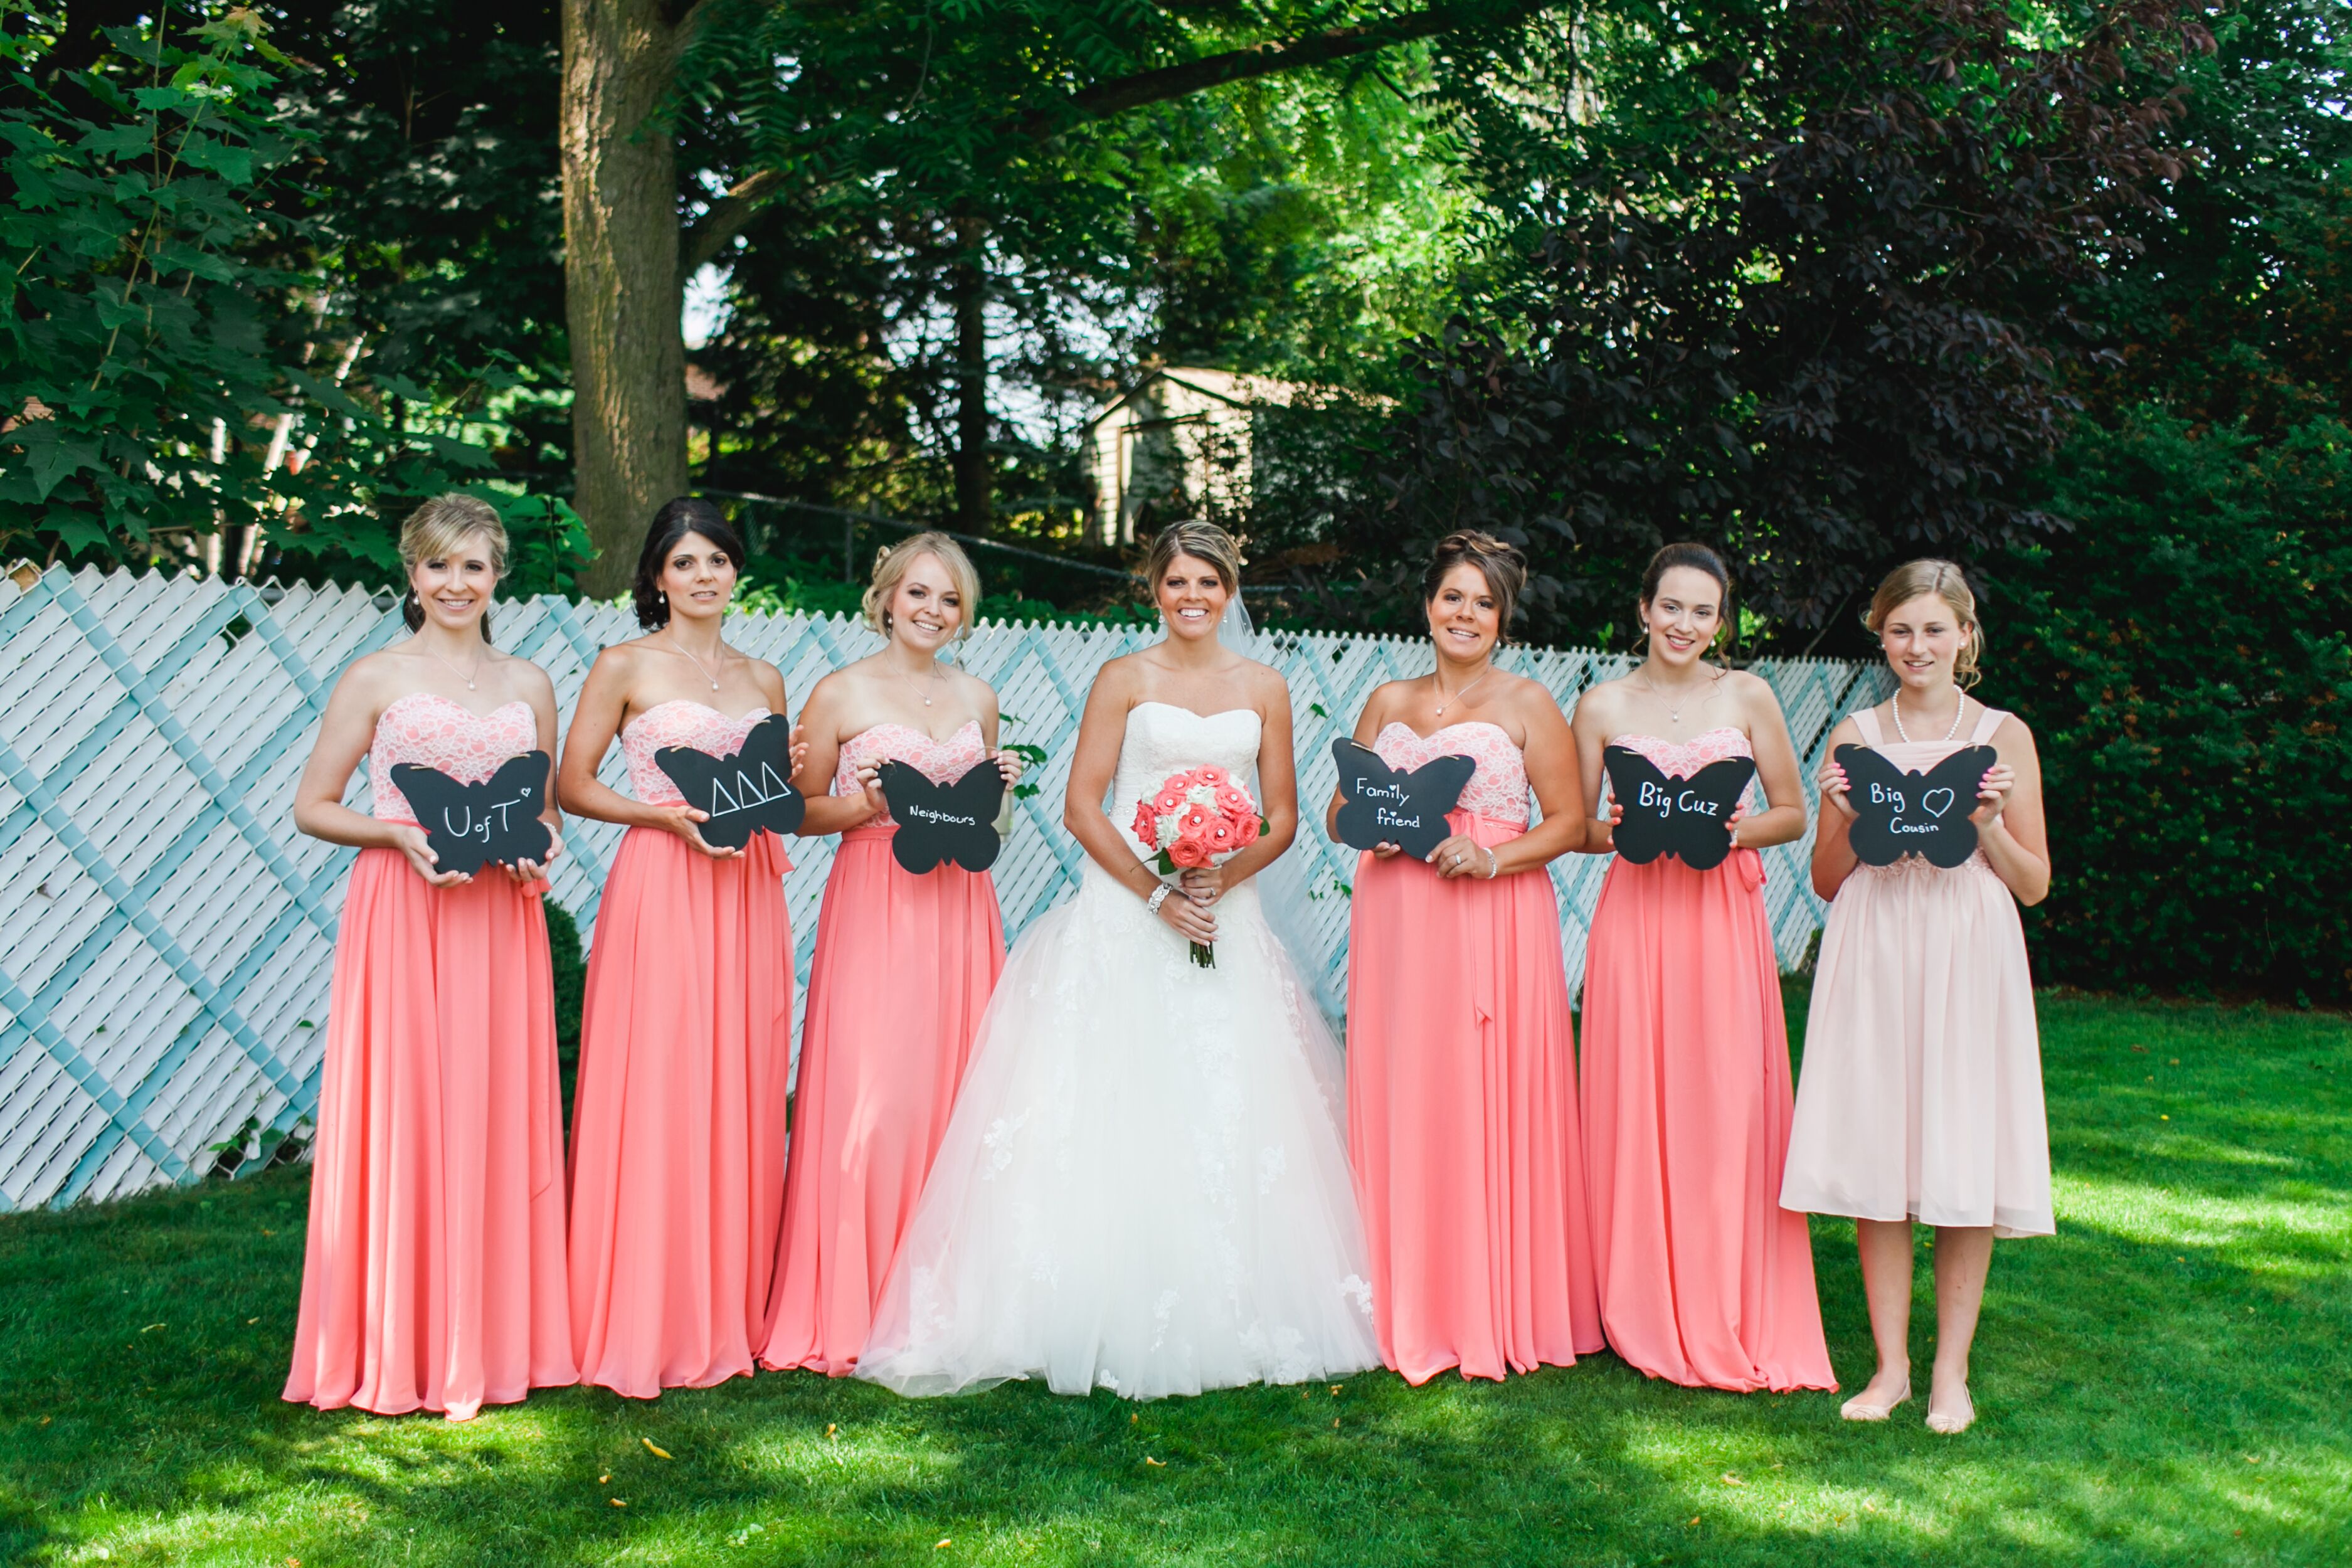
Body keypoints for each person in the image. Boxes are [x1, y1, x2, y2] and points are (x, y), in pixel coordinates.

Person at [856, 520, 1380, 1399]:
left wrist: (1219, 872)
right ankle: (1079, 1299)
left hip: (1222, 913)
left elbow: (1281, 814)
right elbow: (1083, 805)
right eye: (1176, 583)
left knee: (1222, 1101)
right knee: (1111, 1100)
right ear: (1155, 588)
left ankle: (1231, 1300)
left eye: (1207, 585)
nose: (1191, 599)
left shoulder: (1264, 686)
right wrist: (1156, 891)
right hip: (1125, 912)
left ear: (1229, 590)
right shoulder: (1122, 679)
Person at [283, 494, 575, 1419]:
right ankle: (396, 1341)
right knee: (408, 1109)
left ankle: (491, 1340)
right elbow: (313, 805)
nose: (457, 584)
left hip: (497, 916)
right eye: (439, 566)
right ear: (411, 575)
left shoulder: (530, 683)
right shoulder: (375, 676)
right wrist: (396, 836)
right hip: (405, 910)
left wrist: (540, 843)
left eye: (474, 566)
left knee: (491, 1107)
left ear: (500, 577)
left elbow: (544, 807)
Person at [1782, 559, 2052, 1435]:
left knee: (1960, 1147)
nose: (1916, 645)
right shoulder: (1854, 736)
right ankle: (1890, 1368)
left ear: (1964, 636)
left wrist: (1982, 826)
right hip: (1876, 943)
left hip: (1966, 946)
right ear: (1880, 634)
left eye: (1934, 629)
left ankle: (1949, 1375)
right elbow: (1824, 879)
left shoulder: (2002, 734)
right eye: (1900, 629)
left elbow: (2034, 883)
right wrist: (1846, 821)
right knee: (1879, 1152)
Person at [1330, 531, 1602, 1383]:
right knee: (1406, 1088)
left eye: (1482, 603)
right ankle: (1402, 1294)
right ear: (1427, 604)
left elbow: (1566, 823)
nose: (1465, 614)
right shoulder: (1385, 700)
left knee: (1480, 1093)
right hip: (1398, 917)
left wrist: (1489, 856)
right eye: (1453, 596)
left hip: (1490, 912)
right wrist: (1370, 832)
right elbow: (1343, 809)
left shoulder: (1526, 704)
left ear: (1502, 618)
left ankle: (1489, 1300)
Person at [1569, 542, 1835, 1393]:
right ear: (1642, 610)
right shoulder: (1601, 703)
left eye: (1702, 611)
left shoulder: (1746, 695)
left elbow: (1791, 814)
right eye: (1670, 607)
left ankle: (1726, 1293)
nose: (1683, 625)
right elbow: (1580, 829)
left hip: (1719, 918)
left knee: (1722, 1103)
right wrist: (1627, 826)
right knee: (1635, 1100)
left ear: (1720, 622)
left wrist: (1722, 832)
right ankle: (1641, 1297)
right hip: (1636, 918)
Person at [760, 533, 1021, 1377]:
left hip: (959, 908)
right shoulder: (838, 693)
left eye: (948, 599)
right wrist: (863, 804)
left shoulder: (978, 696)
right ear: (885, 598)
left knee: (955, 1097)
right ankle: (850, 1300)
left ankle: (946, 1301)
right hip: (876, 901)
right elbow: (791, 814)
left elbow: (992, 830)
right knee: (874, 1099)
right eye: (917, 594)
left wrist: (1000, 792)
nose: (932, 611)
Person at [558, 498, 798, 1398]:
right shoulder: (624, 665)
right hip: (662, 885)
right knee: (657, 1084)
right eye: (685, 562)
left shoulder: (765, 677)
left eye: (718, 561)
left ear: (737, 573)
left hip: (745, 896)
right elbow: (572, 783)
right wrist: (661, 813)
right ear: (656, 577)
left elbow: (776, 793)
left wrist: (792, 774)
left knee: (735, 1085)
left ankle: (727, 1304)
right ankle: (639, 1307)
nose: (703, 577)